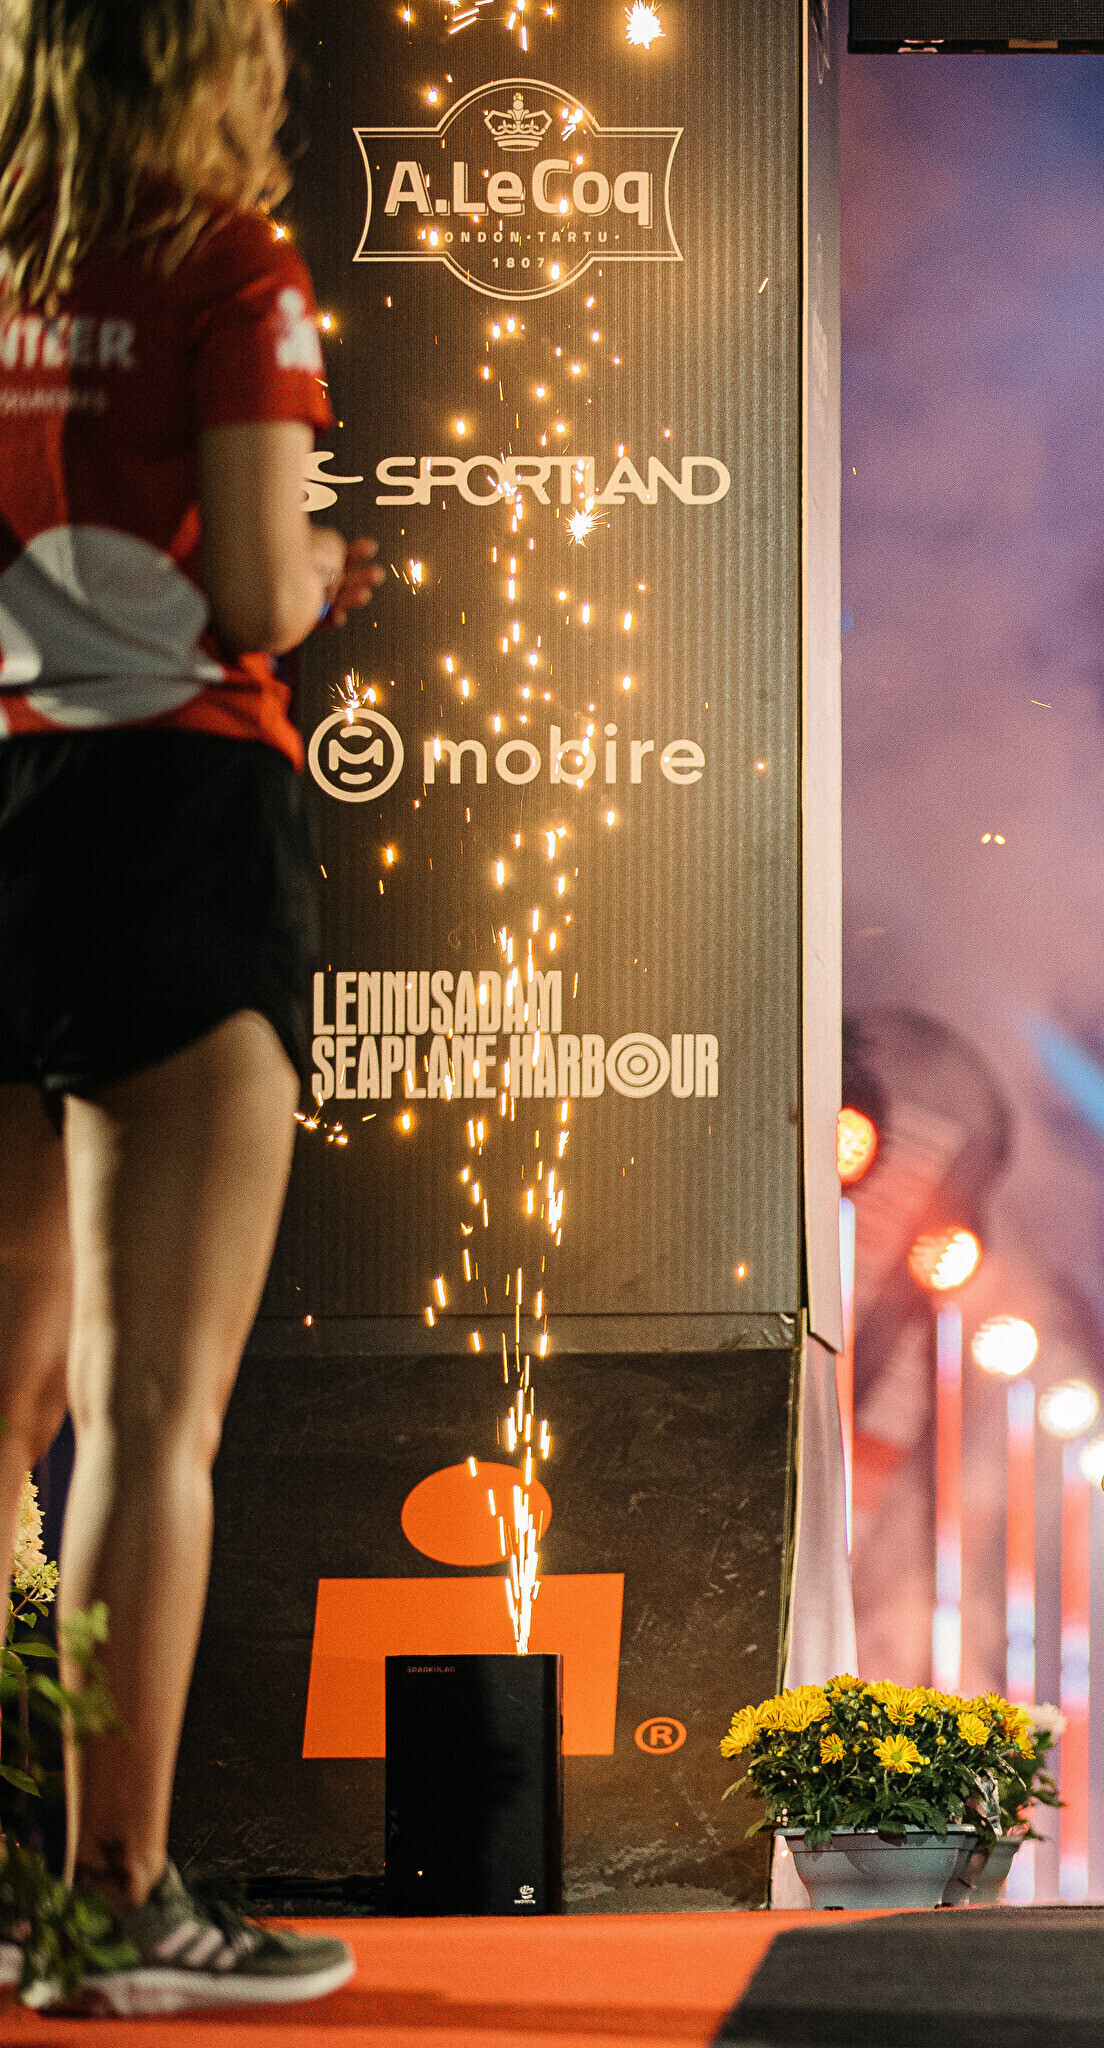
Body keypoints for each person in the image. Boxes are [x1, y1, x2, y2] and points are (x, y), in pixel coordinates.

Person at [0, 0, 380, 2014]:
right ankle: (115, 1899)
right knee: (151, 1414)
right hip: (170, 817)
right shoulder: (228, 262)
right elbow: (250, 595)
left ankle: (26, 1896)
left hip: (3, 792)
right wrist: (313, 556)